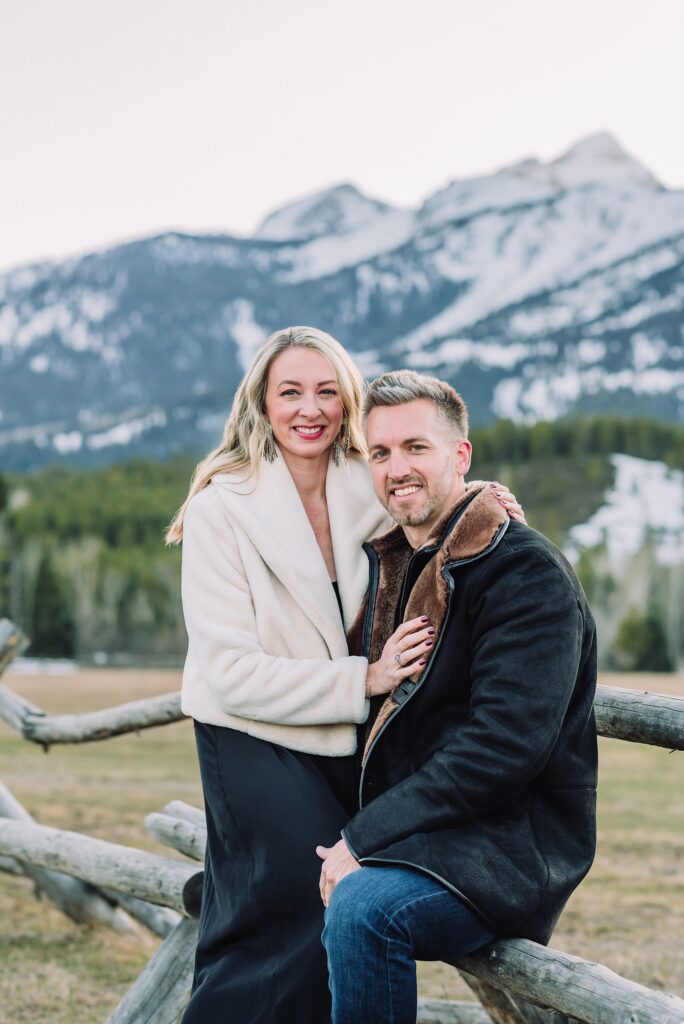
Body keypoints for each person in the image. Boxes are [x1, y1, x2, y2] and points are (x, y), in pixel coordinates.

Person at [166, 328, 524, 1023]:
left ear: (348, 402)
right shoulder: (221, 507)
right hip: (251, 737)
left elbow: (427, 497)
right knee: (287, 913)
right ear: (262, 404)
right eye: (291, 392)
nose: (311, 409)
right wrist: (364, 679)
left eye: (327, 392)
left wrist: (481, 497)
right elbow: (231, 672)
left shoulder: (366, 481)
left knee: (321, 918)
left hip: (344, 744)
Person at [318, 370, 598, 1024]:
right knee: (273, 871)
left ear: (461, 456)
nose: (397, 468)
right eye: (380, 453)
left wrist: (362, 838)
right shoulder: (395, 566)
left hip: (506, 848)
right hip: (425, 833)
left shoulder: (526, 574)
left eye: (416, 447)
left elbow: (503, 750)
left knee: (362, 909)